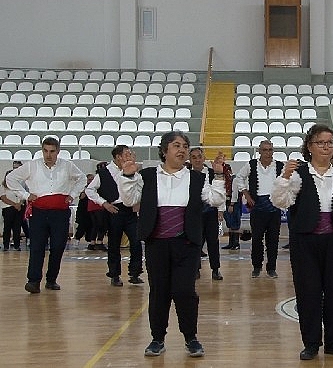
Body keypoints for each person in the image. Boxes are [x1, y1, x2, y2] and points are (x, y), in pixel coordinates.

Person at [118, 131, 226, 358]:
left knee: (185, 291)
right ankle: (157, 338)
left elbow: (216, 200)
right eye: (176, 145)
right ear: (164, 150)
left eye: (185, 145)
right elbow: (129, 200)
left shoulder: (197, 178)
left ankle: (191, 337)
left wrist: (218, 175)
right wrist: (127, 176)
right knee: (159, 292)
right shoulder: (147, 175)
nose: (182, 149)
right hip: (156, 243)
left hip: (186, 244)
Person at [271, 124, 333, 361]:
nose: (326, 147)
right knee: (308, 293)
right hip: (305, 241)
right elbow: (279, 201)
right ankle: (311, 343)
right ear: (309, 146)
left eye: (329, 143)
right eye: (320, 142)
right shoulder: (297, 174)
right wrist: (284, 177)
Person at [6, 137, 86, 293]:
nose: (48, 155)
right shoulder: (32, 166)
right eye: (45, 151)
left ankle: (51, 279)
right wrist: (25, 195)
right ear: (42, 150)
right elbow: (11, 178)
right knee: (37, 246)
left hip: (60, 212)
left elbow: (82, 178)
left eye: (52, 151)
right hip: (39, 212)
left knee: (58, 246)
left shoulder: (67, 166)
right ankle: (33, 281)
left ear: (58, 151)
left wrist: (73, 194)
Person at [86, 145, 144, 287]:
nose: (130, 155)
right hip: (114, 210)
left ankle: (135, 273)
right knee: (114, 244)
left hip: (131, 210)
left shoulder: (135, 171)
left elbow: (140, 188)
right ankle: (115, 274)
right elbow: (90, 190)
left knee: (136, 242)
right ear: (118, 156)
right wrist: (104, 203)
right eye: (127, 153)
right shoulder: (104, 172)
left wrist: (138, 202)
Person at [232, 140, 284, 278]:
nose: (268, 153)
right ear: (259, 151)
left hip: (274, 207)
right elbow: (239, 178)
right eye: (265, 150)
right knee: (256, 239)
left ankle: (271, 268)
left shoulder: (280, 166)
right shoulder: (251, 165)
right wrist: (246, 194)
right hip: (257, 207)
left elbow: (288, 182)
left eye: (270, 150)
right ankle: (256, 267)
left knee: (273, 240)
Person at [189, 147, 224, 281]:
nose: (197, 160)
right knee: (195, 242)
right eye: (194, 157)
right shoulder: (186, 174)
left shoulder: (212, 172)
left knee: (213, 242)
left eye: (199, 156)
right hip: (194, 214)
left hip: (210, 212)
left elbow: (220, 191)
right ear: (190, 159)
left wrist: (220, 210)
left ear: (204, 158)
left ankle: (215, 269)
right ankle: (195, 269)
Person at [2, 171, 26, 251]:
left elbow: (23, 196)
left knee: (17, 227)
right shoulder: (3, 186)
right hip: (8, 208)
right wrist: (14, 204)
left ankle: (17, 245)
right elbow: (4, 198)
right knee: (7, 227)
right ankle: (6, 245)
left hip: (19, 208)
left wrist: (19, 204)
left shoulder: (18, 186)